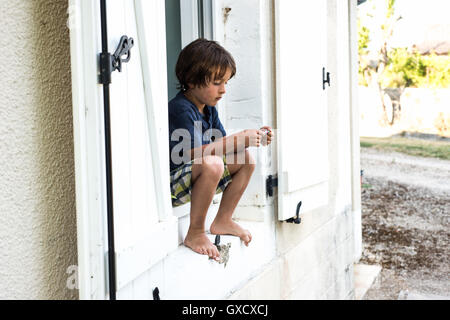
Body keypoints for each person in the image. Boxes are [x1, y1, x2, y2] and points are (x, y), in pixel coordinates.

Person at [168, 38, 273, 260]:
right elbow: (189, 154)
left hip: (196, 179)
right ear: (192, 80)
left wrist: (250, 136)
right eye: (217, 82)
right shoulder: (181, 109)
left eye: (225, 82)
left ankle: (223, 219)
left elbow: (225, 148)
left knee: (245, 159)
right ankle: (195, 231)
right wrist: (235, 140)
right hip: (173, 184)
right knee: (213, 162)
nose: (223, 90)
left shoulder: (209, 110)